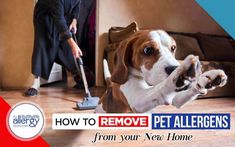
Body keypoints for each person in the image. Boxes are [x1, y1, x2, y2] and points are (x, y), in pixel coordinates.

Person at [25, 0, 82, 96]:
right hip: (44, 17)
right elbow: (59, 19)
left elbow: (77, 5)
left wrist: (74, 20)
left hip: (61, 15)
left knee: (65, 46)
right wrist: (73, 45)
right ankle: (36, 82)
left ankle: (77, 76)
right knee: (42, 44)